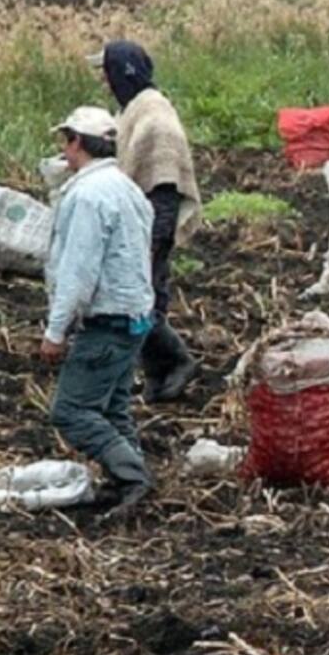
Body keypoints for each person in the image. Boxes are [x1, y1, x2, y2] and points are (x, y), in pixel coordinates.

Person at [41, 107, 156, 514]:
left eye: (65, 141)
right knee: (113, 407)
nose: (63, 151)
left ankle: (132, 477)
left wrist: (56, 332)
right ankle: (129, 479)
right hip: (136, 316)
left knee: (71, 411)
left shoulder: (89, 196)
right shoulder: (126, 187)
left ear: (77, 142)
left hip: (107, 320)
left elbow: (78, 270)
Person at [91, 40, 202, 402]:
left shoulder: (155, 120)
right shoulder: (137, 111)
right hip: (144, 218)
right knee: (150, 297)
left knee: (139, 303)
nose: (105, 83)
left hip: (154, 219)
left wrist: (154, 237)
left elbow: (164, 182)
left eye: (107, 74)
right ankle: (160, 380)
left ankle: (180, 361)